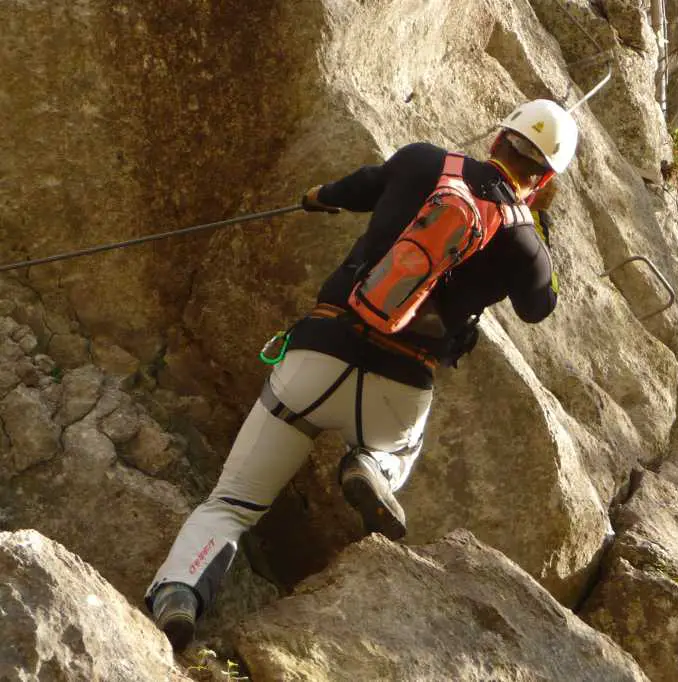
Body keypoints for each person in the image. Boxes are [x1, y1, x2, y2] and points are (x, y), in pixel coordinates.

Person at [145, 99, 579, 651]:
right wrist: (536, 226)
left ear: (497, 141)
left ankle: (180, 591)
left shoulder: (424, 161)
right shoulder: (525, 244)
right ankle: (372, 466)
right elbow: (541, 307)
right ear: (542, 182)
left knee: (231, 503)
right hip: (398, 391)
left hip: (317, 356)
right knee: (401, 447)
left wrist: (313, 198)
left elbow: (349, 189)